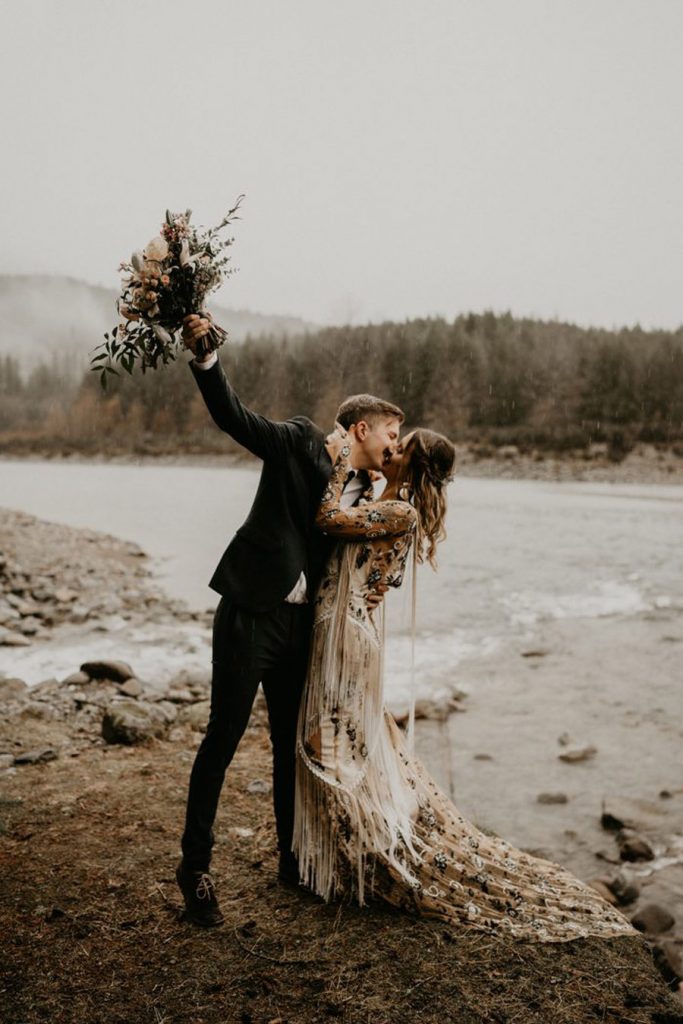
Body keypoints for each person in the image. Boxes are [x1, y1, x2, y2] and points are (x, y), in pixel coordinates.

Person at [293, 426, 637, 942]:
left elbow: (327, 519)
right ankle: (347, 860)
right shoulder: (386, 498)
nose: (390, 448)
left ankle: (365, 865)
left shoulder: (401, 510)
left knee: (333, 748)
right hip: (344, 628)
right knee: (338, 747)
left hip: (347, 637)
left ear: (411, 461)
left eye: (399, 444)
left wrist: (342, 458)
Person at [176, 313, 403, 927]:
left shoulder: (370, 494)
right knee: (222, 738)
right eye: (389, 434)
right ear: (361, 426)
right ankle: (194, 870)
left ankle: (291, 860)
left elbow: (365, 569)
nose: (394, 446)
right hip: (251, 610)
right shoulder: (301, 440)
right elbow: (235, 417)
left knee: (288, 749)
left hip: (302, 630)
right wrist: (205, 360)